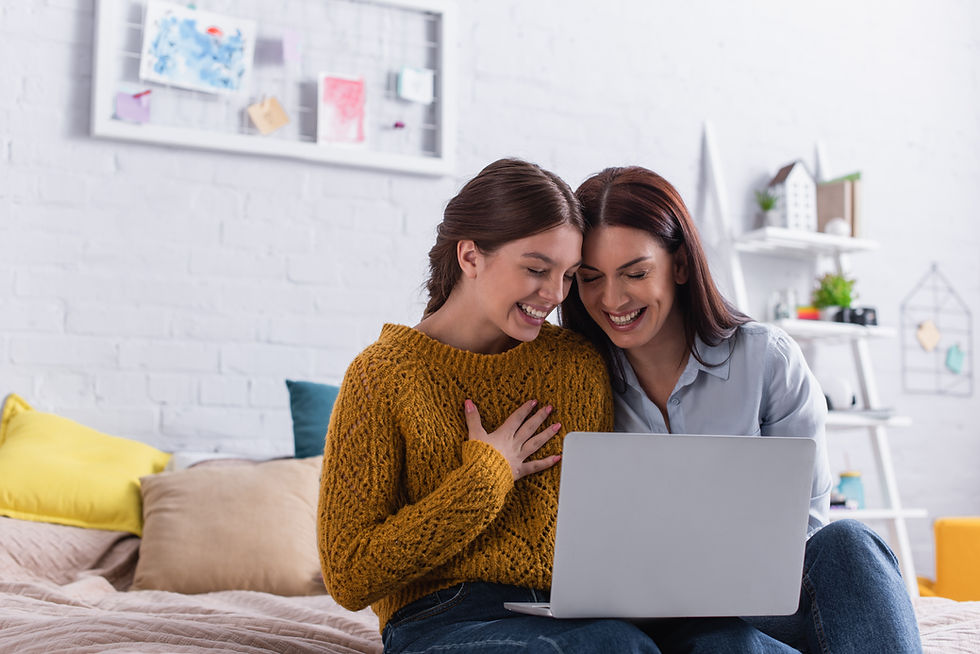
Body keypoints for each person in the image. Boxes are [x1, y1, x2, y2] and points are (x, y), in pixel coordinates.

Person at [560, 165, 923, 653]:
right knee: (719, 643)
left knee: (850, 544)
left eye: (636, 273)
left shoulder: (766, 359)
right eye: (590, 278)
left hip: (768, 606)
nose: (612, 298)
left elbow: (807, 527)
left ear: (682, 265)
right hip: (658, 621)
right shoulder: (576, 380)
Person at [317, 158, 662, 653]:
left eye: (567, 275)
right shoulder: (383, 375)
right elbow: (349, 575)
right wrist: (487, 476)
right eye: (536, 269)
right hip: (439, 618)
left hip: (565, 615)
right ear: (470, 256)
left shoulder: (575, 366)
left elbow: (597, 532)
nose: (553, 295)